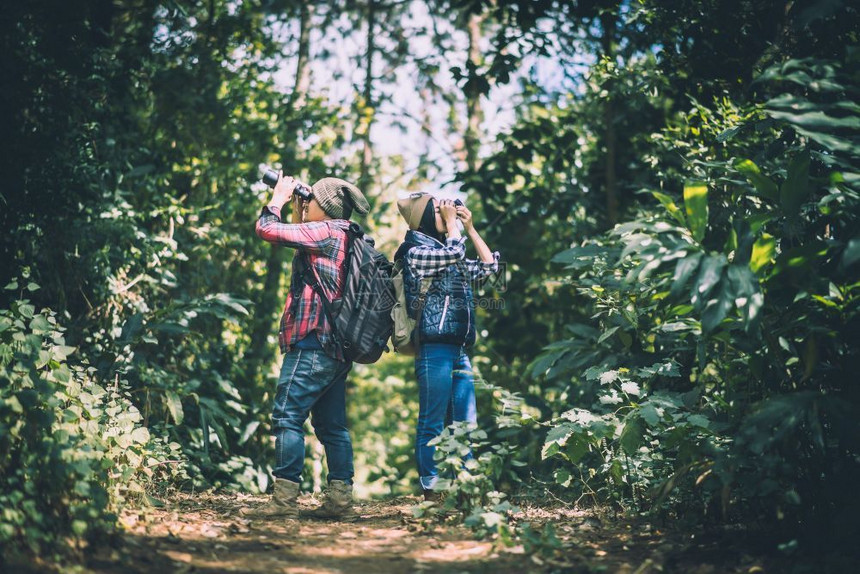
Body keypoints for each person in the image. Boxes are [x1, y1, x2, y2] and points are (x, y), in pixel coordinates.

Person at [242, 172, 370, 523]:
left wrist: (278, 199)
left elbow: (268, 229)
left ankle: (284, 501)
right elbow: (304, 246)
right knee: (331, 426)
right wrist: (301, 210)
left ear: (324, 207)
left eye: (310, 198)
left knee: (287, 416)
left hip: (313, 342)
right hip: (338, 347)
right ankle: (340, 500)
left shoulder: (326, 231)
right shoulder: (343, 234)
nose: (305, 201)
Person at [394, 193, 500, 501]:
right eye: (439, 209)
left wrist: (469, 228)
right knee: (432, 421)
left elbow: (490, 268)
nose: (446, 210)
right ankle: (433, 489)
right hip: (434, 348)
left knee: (465, 424)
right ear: (425, 217)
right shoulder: (415, 252)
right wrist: (453, 226)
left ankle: (465, 487)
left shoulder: (447, 249)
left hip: (459, 349)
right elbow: (454, 252)